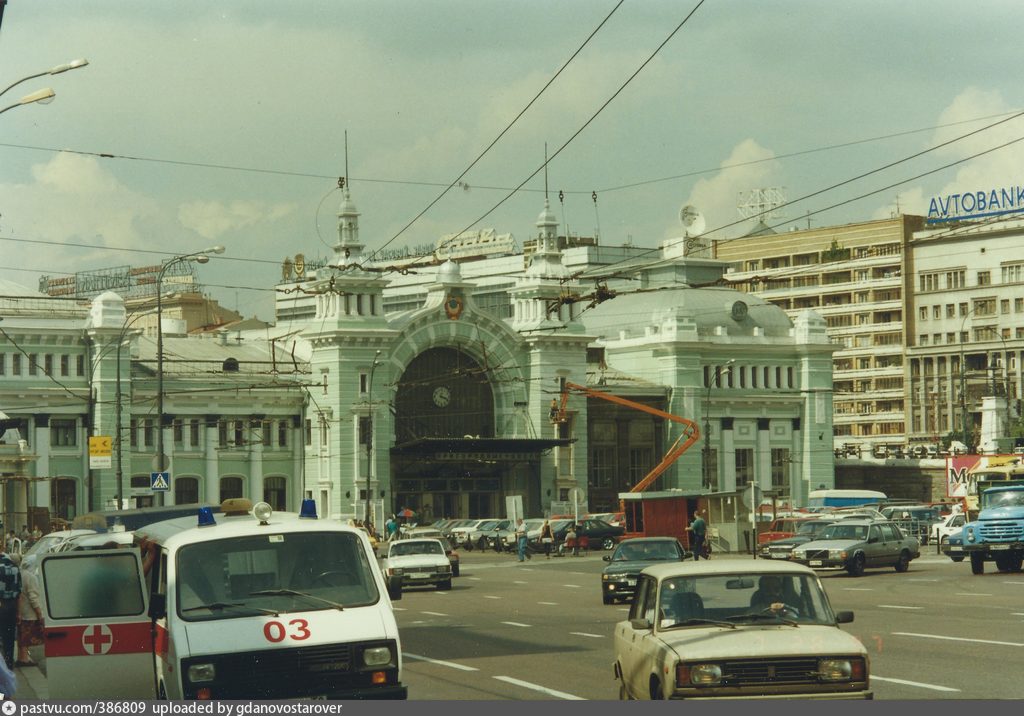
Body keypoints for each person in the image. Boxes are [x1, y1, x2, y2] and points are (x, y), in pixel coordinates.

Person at [16, 555, 42, 667]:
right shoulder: (31, 577)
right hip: (29, 612)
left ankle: (21, 657)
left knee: (21, 636)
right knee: (26, 637)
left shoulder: (20, 574)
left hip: (21, 611)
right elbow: (33, 597)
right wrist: (39, 613)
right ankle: (24, 659)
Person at [0, 552, 21, 669]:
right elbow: (19, 593)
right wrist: (18, 612)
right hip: (10, 607)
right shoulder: (14, 567)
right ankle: (8, 666)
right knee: (8, 639)